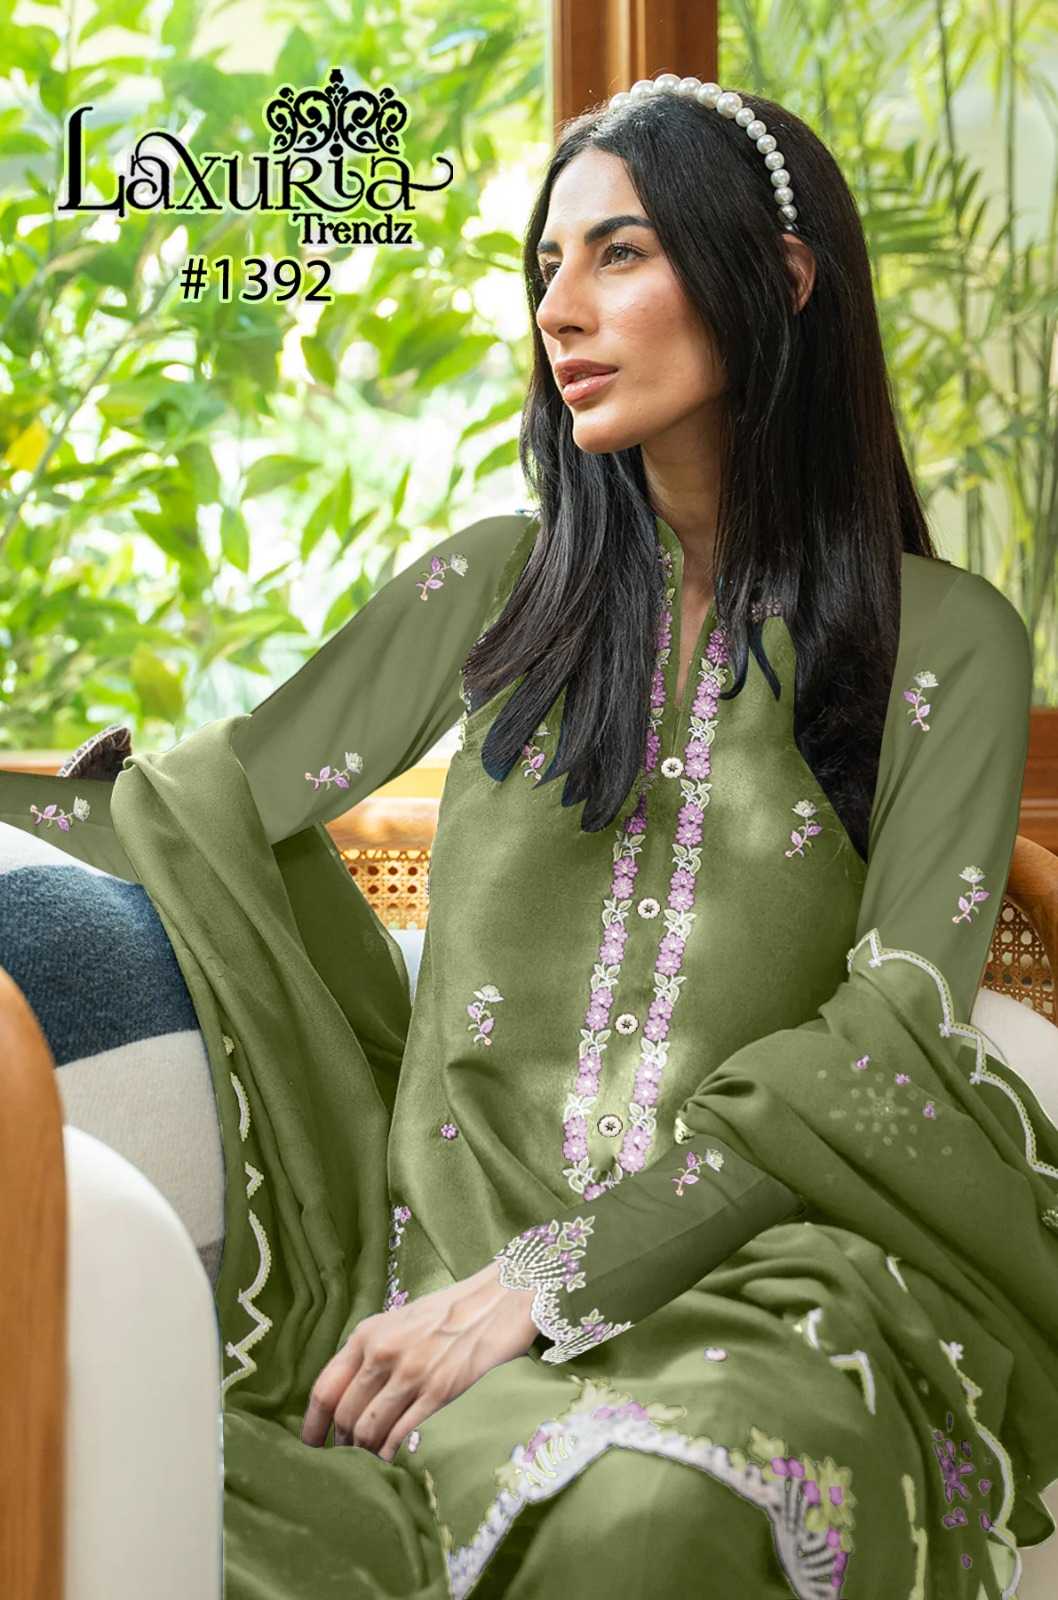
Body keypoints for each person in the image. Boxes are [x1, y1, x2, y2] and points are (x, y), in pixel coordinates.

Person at [4, 77, 1058, 1600]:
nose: (558, 309)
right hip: (440, 1289)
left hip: (760, 1289)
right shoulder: (503, 590)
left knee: (659, 1511)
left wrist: (553, 1280)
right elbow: (192, 806)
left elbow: (892, 1029)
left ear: (780, 277)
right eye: (546, 265)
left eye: (618, 254)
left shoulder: (942, 643)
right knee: (134, 1492)